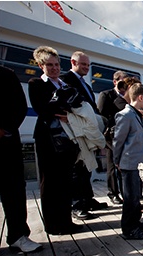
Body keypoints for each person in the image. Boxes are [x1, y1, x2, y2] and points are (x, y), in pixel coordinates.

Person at [28, 46, 83, 236]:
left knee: (66, 181)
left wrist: (66, 109)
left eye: (57, 65)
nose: (54, 68)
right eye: (49, 65)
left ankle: (66, 221)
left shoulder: (65, 85)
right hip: (47, 140)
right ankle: (53, 225)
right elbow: (43, 108)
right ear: (41, 65)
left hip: (67, 139)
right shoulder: (36, 84)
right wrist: (65, 108)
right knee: (50, 182)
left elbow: (77, 106)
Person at [0, 65, 42, 253]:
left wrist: (2, 129)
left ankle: (18, 235)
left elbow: (19, 106)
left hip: (4, 141)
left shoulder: (5, 74)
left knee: (13, 190)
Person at [61, 51, 107, 218]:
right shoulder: (65, 80)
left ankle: (88, 200)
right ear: (73, 62)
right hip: (76, 130)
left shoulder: (86, 85)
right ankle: (77, 204)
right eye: (83, 64)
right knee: (77, 167)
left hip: (89, 130)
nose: (86, 68)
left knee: (86, 166)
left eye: (88, 65)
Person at [112, 82, 143, 240]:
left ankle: (136, 222)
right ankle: (129, 229)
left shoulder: (136, 114)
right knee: (130, 198)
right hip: (129, 164)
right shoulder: (125, 115)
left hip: (138, 164)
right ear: (141, 97)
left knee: (136, 196)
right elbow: (118, 141)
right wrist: (117, 161)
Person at [97, 70, 128, 204]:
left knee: (124, 165)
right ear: (115, 81)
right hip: (111, 136)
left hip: (125, 135)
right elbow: (101, 115)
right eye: (122, 80)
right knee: (112, 165)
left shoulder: (127, 96)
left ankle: (126, 192)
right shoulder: (106, 95)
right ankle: (113, 193)